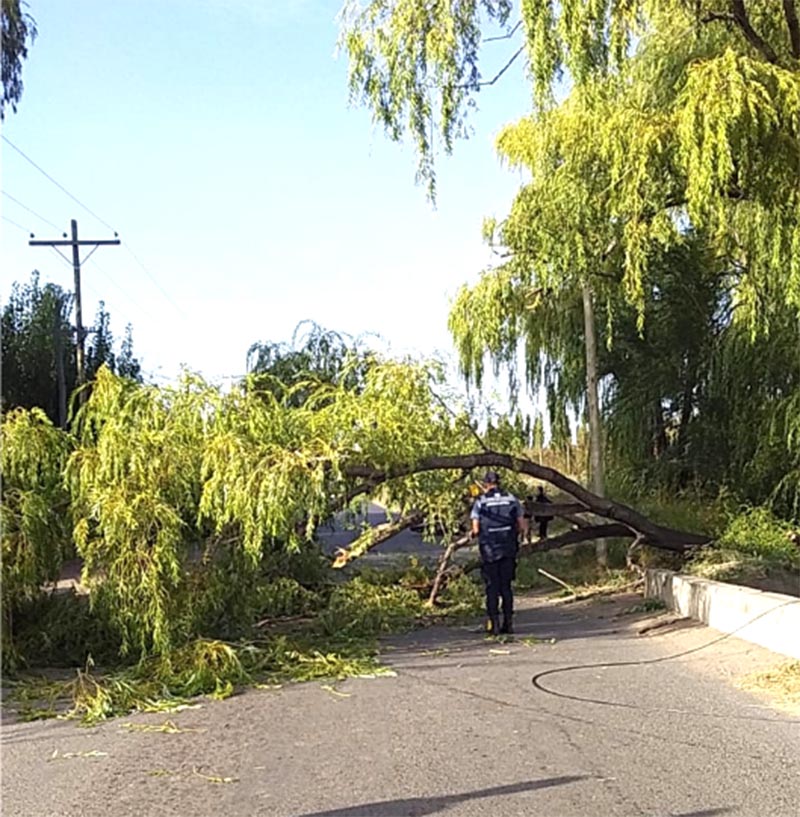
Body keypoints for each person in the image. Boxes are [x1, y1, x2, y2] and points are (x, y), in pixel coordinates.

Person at [470, 471, 527, 636]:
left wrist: (473, 535)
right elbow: (522, 525)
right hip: (508, 548)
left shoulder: (480, 501)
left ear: (485, 484)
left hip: (489, 550)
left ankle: (493, 624)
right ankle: (508, 623)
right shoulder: (511, 499)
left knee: (492, 587)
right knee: (506, 587)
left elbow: (476, 528)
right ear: (499, 482)